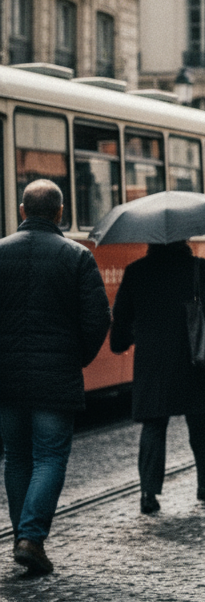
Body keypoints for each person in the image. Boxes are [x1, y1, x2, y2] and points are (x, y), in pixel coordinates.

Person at [0, 179, 111, 575]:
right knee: (50, 456)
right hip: (55, 379)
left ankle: (22, 537)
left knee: (16, 457)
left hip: (7, 378)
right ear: (60, 212)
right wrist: (75, 358)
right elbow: (98, 319)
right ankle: (31, 537)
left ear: (22, 211)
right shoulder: (77, 257)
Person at [110, 241, 205, 514]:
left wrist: (121, 340)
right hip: (193, 357)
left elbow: (121, 316)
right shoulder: (196, 268)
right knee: (199, 422)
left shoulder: (136, 270)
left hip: (153, 361)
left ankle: (148, 493)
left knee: (154, 425)